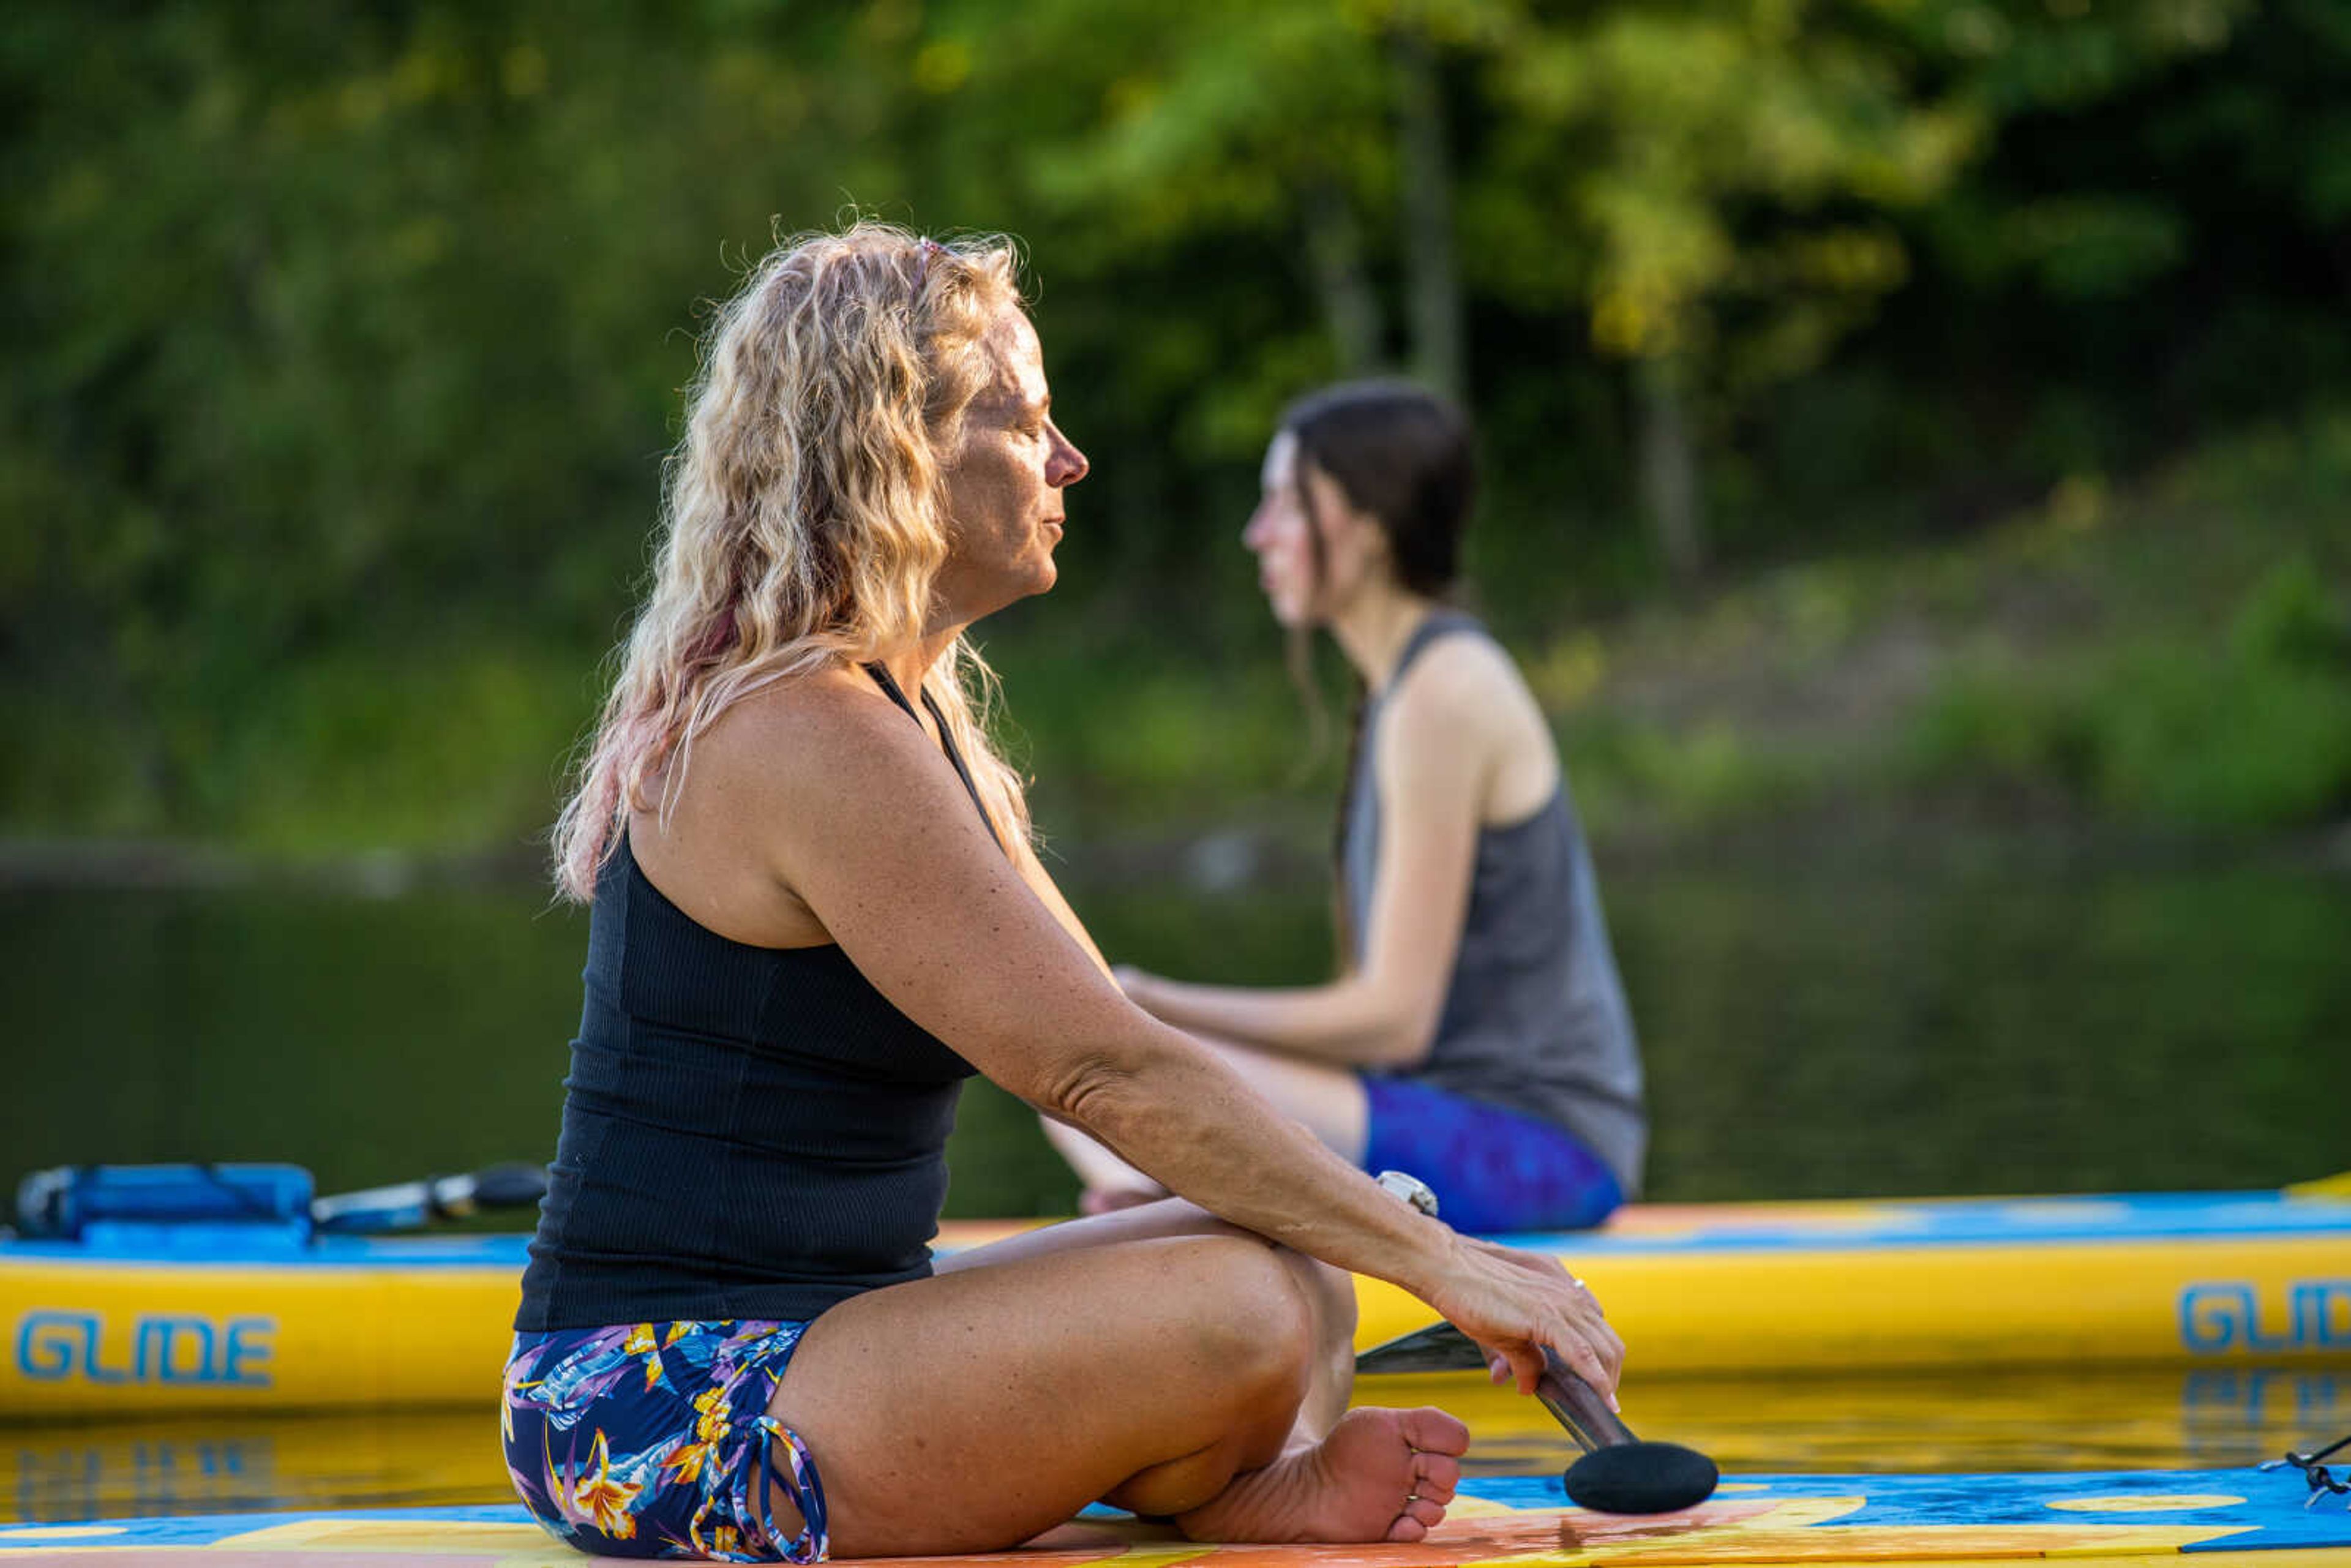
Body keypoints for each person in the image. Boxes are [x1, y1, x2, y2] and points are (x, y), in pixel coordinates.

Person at [504, 227, 1624, 1564]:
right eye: (1024, 418)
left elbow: (1118, 1042)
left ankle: (1237, 1495)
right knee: (1246, 1302)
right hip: (650, 1401)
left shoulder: (916, 729)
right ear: (893, 450)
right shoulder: (800, 730)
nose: (1070, 458)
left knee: (1302, 1233)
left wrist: (1391, 1233)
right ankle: (1229, 1481)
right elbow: (1098, 1072)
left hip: (838, 1327)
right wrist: (1453, 1273)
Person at [1048, 382, 1647, 1236]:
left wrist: (1155, 1002)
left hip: (1542, 1155)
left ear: (1368, 524)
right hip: (1444, 1119)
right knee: (1081, 1071)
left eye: (1288, 504)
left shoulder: (1445, 691)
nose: (1259, 534)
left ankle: (1172, 1223)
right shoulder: (1402, 690)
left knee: (1096, 1063)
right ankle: (1170, 1219)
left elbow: (1395, 1016)